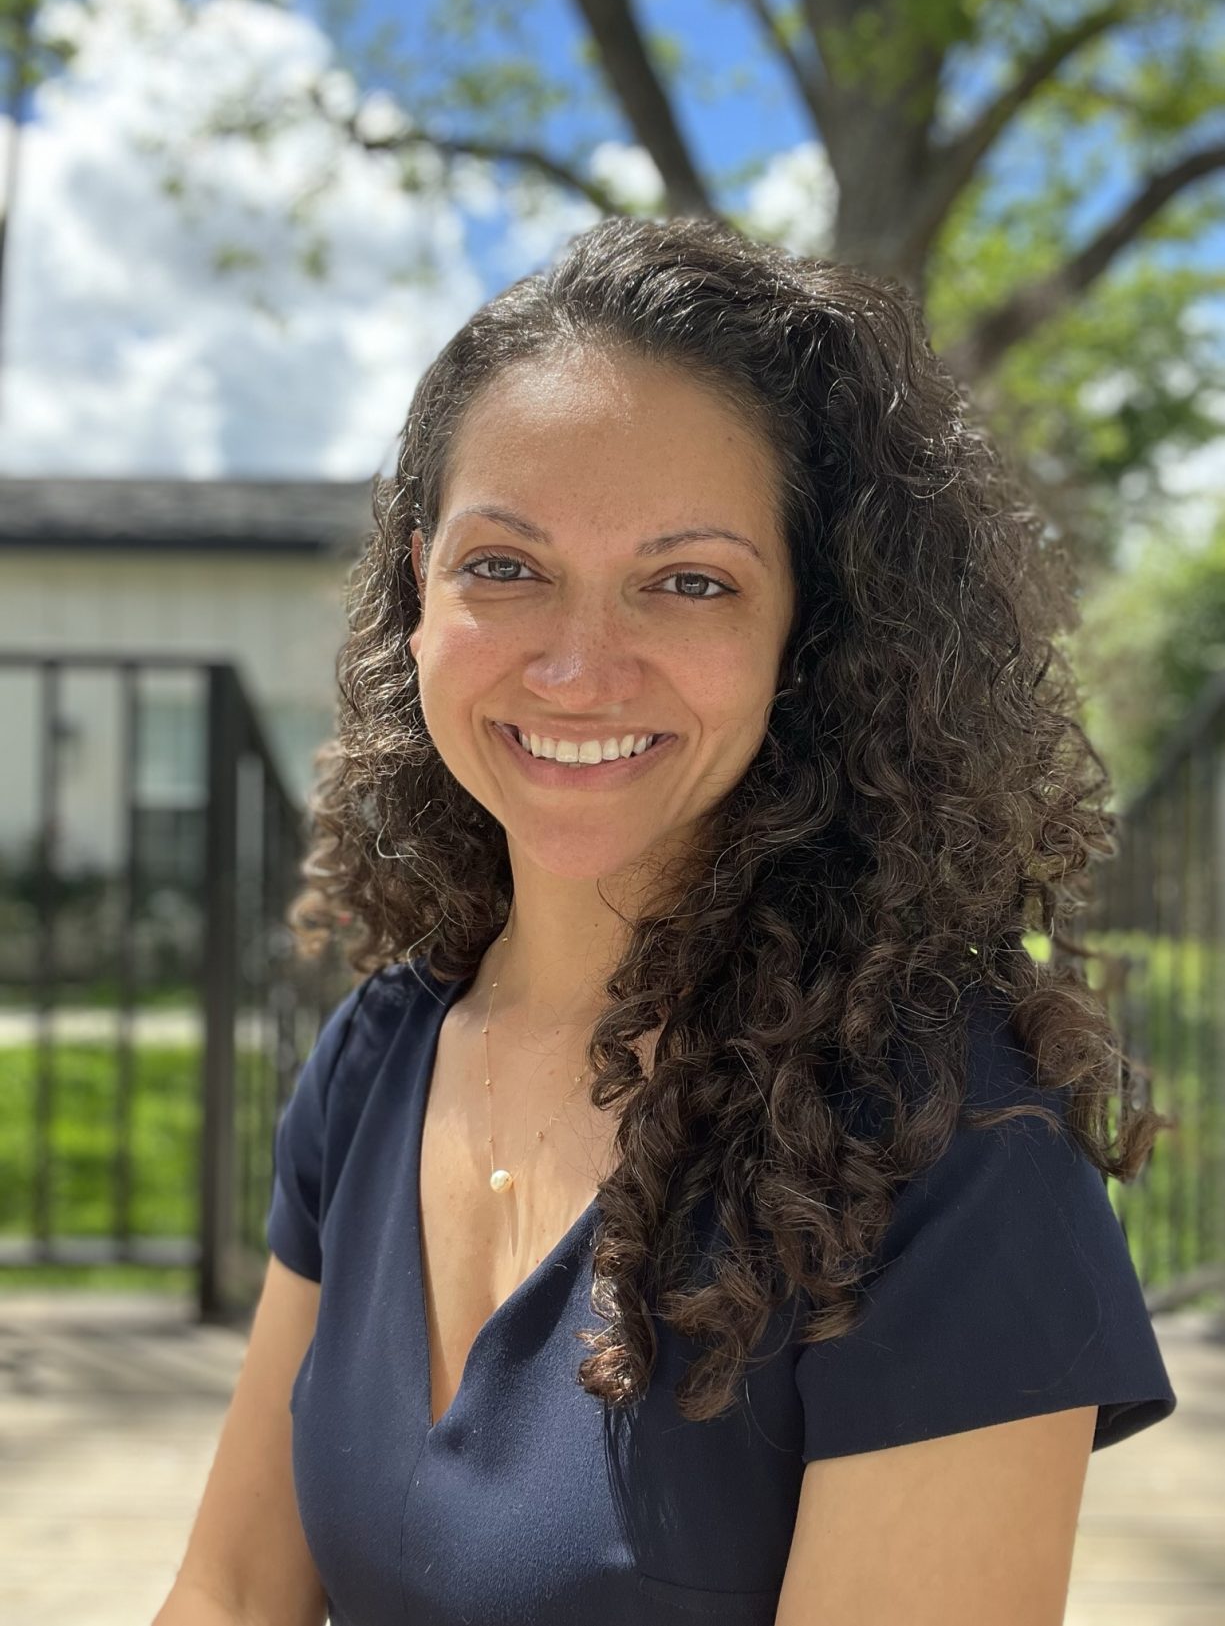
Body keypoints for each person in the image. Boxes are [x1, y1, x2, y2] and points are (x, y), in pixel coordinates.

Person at [154, 214, 1176, 1626]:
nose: (576, 667)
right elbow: (226, 1593)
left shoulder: (951, 1135)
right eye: (503, 565)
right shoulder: (377, 1056)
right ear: (415, 593)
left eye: (687, 580)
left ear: (807, 642)